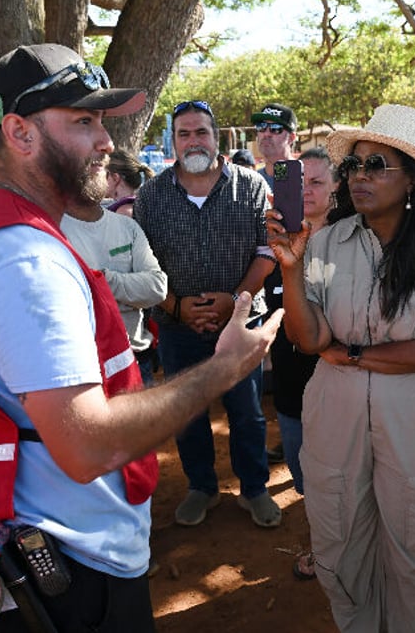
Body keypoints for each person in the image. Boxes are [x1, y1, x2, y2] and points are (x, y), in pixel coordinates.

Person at [0, 44, 282, 632]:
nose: (106, 141)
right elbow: (87, 445)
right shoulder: (26, 260)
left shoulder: (0, 225)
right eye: (84, 121)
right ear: (18, 134)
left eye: (102, 122)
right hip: (69, 561)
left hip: (45, 541)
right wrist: (224, 369)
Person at [267, 103, 415, 632]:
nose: (359, 177)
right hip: (334, 408)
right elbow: (309, 337)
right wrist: (291, 270)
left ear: (412, 180)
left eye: (376, 166)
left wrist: (359, 356)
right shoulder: (329, 242)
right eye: (354, 166)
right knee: (340, 537)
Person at [134, 99, 281, 529]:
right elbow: (144, 266)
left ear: (217, 138)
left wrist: (234, 300)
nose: (193, 140)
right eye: (184, 133)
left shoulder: (250, 186)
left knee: (248, 410)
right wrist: (177, 306)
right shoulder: (151, 195)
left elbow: (266, 249)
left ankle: (254, 488)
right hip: (177, 326)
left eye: (201, 132)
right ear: (173, 141)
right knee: (188, 411)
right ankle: (202, 487)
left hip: (240, 320)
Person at [261, 147, 338, 580]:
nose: (305, 192)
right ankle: (323, 540)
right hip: (291, 385)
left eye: (316, 183)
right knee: (303, 472)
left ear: (335, 188)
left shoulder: (354, 239)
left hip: (342, 378)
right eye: (296, 183)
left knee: (343, 475)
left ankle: (339, 548)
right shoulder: (273, 237)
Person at [61, 192, 167, 386]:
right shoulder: (51, 229)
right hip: (84, 366)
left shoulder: (127, 226)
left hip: (135, 358)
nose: (95, 164)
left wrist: (101, 279)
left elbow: (157, 287)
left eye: (99, 162)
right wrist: (126, 289)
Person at [250, 102, 299, 464]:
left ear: (291, 136)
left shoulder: (297, 176)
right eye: (261, 129)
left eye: (275, 129)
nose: (266, 135)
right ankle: (286, 439)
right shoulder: (248, 178)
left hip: (294, 282)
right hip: (257, 284)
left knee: (296, 360)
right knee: (272, 368)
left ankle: (303, 440)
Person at [251, 102, 298, 187]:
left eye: (275, 128)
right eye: (261, 126)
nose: (266, 134)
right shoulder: (253, 181)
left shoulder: (309, 179)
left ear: (291, 138)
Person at [105, 149, 154, 218]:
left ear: (115, 178)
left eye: (104, 175)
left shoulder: (124, 212)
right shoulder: (137, 204)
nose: (100, 180)